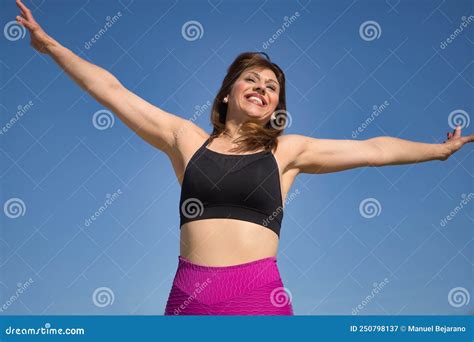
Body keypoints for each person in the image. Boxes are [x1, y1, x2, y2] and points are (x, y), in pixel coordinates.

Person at [14, 0, 473, 315]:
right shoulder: (185, 139)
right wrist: (51, 46)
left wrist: (441, 151)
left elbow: (375, 150)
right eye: (252, 79)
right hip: (188, 297)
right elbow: (113, 92)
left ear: (277, 105)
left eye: (272, 87)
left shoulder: (287, 152)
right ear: (229, 91)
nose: (262, 88)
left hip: (257, 296)